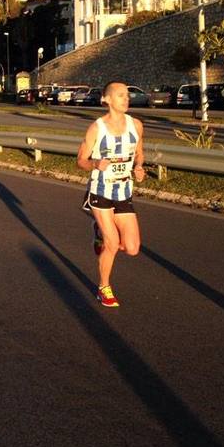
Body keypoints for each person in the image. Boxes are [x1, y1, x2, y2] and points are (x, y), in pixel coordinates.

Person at [77, 80, 146, 308]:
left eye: (127, 95)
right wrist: (95, 163)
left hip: (124, 191)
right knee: (113, 243)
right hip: (101, 191)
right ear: (106, 99)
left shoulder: (136, 125)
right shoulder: (97, 128)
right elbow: (80, 161)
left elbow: (139, 153)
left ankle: (99, 234)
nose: (126, 99)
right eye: (120, 95)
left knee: (133, 248)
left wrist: (139, 167)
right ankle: (103, 288)